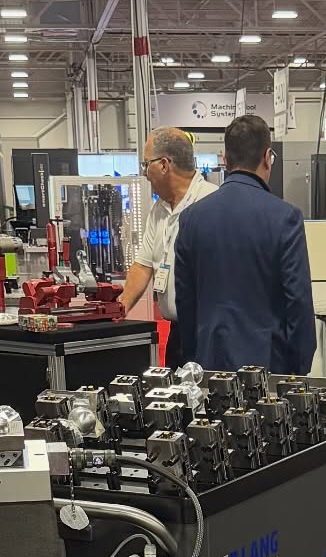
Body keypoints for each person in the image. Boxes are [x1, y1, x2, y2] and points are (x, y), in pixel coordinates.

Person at [174, 113, 315, 373]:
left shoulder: (191, 218)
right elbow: (298, 301)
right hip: (270, 366)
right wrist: (300, 366)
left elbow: (185, 300)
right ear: (267, 157)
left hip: (210, 361)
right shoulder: (285, 218)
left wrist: (195, 356)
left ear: (225, 160)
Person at [120, 128, 214, 367]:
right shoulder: (159, 210)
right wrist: (120, 309)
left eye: (146, 164)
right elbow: (143, 265)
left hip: (208, 334)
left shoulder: (211, 202)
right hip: (177, 334)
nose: (145, 174)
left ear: (164, 164)